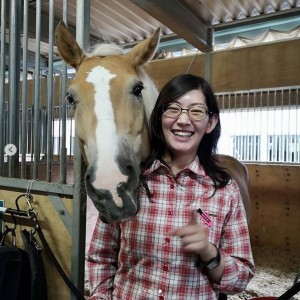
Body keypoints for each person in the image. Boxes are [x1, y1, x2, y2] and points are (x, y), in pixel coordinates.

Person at [87, 74, 255, 299]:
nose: (183, 120)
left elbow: (242, 277)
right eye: (173, 109)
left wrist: (209, 252)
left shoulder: (225, 191)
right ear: (159, 117)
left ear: (210, 123)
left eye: (196, 111)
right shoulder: (127, 182)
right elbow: (101, 256)